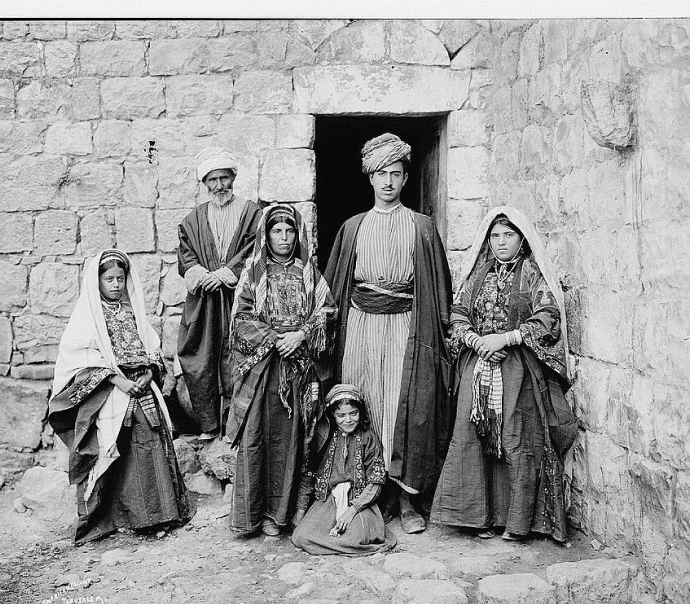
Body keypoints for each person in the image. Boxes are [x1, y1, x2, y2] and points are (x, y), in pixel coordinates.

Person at [324, 133, 452, 534]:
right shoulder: (352, 228)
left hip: (404, 326)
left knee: (403, 405)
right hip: (361, 327)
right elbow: (331, 290)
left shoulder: (422, 227)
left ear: (405, 178)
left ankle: (406, 497)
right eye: (381, 173)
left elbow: (438, 289)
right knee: (365, 403)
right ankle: (364, 497)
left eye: (396, 173)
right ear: (370, 177)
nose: (388, 182)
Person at [430, 207, 578, 543]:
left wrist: (507, 338)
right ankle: (477, 517)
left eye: (508, 235)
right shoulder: (480, 274)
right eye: (495, 236)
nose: (501, 242)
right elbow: (458, 313)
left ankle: (518, 522)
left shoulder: (531, 275)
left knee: (515, 437)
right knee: (471, 435)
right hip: (478, 362)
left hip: (516, 368)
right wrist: (479, 341)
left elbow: (548, 317)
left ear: (522, 239)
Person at [49, 249, 194, 545]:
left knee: (151, 442)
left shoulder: (131, 312)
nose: (116, 284)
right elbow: (79, 358)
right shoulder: (88, 317)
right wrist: (117, 380)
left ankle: (160, 514)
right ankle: (123, 517)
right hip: (111, 392)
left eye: (120, 278)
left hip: (142, 388)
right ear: (97, 281)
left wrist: (149, 374)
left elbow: (151, 348)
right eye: (109, 279)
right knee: (119, 449)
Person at [226, 204, 337, 537]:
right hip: (265, 370)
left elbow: (328, 312)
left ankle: (281, 516)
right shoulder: (253, 274)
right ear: (266, 234)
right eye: (277, 231)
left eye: (290, 231)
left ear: (298, 234)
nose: (284, 238)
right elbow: (240, 319)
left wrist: (301, 334)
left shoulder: (310, 274)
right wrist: (275, 339)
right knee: (259, 437)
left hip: (300, 368)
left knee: (293, 442)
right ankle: (252, 516)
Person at [176, 146, 262, 440]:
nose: (219, 186)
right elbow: (186, 256)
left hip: (241, 299)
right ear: (204, 184)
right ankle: (209, 425)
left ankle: (237, 426)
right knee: (201, 358)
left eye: (224, 178)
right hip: (204, 303)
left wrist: (227, 274)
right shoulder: (193, 220)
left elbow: (256, 248)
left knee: (238, 359)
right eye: (212, 180)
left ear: (233, 178)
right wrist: (202, 275)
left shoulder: (252, 213)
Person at [291, 384, 397, 556]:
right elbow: (309, 473)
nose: (348, 420)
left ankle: (339, 543)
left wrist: (352, 510)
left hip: (359, 502)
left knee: (357, 537)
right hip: (329, 500)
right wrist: (301, 510)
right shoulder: (324, 436)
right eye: (341, 415)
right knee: (301, 537)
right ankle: (339, 544)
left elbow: (376, 482)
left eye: (353, 413)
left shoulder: (368, 438)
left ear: (360, 412)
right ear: (332, 415)